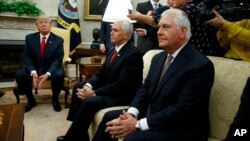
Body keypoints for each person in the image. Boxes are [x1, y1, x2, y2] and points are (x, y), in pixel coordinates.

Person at [93, 8, 215, 141]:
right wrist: (132, 114)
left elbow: (183, 110)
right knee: (110, 119)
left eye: (165, 27)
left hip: (182, 128)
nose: (159, 32)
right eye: (159, 27)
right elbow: (144, 89)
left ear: (182, 31)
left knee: (133, 138)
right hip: (153, 115)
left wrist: (138, 124)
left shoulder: (200, 65)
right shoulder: (158, 58)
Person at [56, 20, 143, 141]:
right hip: (111, 87)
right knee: (78, 87)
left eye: (115, 30)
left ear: (126, 35)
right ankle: (80, 133)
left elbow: (122, 85)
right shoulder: (113, 50)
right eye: (112, 30)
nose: (110, 33)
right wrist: (88, 86)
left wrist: (94, 93)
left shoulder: (133, 54)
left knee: (90, 101)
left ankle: (73, 137)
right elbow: (101, 73)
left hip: (123, 95)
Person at [128, 0, 225, 56]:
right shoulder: (200, 6)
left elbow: (156, 22)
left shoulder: (191, 8)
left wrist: (140, 17)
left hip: (198, 56)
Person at [15, 15, 64, 112]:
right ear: (37, 26)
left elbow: (58, 59)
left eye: (46, 22)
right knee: (20, 74)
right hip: (34, 67)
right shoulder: (29, 38)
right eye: (41, 22)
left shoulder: (58, 40)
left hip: (51, 68)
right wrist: (33, 71)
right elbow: (26, 56)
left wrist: (48, 73)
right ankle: (31, 99)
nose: (44, 24)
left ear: (50, 26)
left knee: (59, 75)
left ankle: (55, 99)